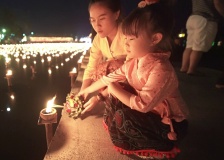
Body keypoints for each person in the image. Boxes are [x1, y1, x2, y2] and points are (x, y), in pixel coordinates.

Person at [78, 0, 189, 158]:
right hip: (149, 111)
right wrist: (86, 91)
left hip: (167, 124)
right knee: (114, 101)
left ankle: (161, 145)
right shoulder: (135, 61)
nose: (126, 43)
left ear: (155, 39)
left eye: (131, 39)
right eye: (126, 38)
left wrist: (114, 88)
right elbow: (108, 78)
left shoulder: (161, 69)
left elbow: (142, 104)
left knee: (121, 116)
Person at [80, 0, 127, 111]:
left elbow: (129, 70)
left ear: (116, 14)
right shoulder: (98, 39)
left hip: (134, 77)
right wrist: (82, 93)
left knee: (109, 66)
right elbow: (91, 67)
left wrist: (99, 97)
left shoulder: (127, 34)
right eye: (93, 20)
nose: (97, 25)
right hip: (115, 79)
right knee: (98, 70)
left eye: (102, 18)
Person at [180, 0, 221, 76]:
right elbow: (217, 2)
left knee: (189, 46)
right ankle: (191, 70)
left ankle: (184, 67)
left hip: (193, 17)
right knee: (198, 47)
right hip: (205, 18)